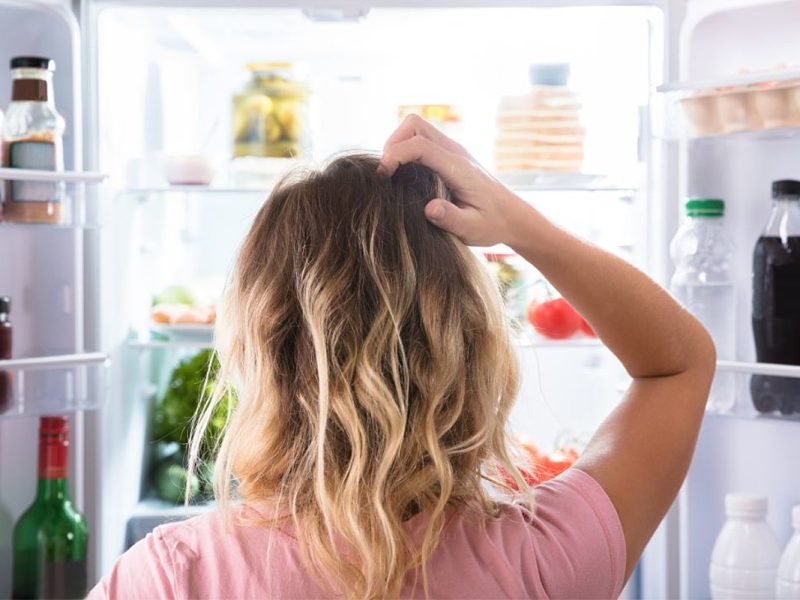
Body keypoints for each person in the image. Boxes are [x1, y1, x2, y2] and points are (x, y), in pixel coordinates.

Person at [89, 116, 715, 599]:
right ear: (470, 341)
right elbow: (679, 365)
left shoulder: (172, 576)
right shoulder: (546, 557)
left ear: (256, 346)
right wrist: (519, 223)